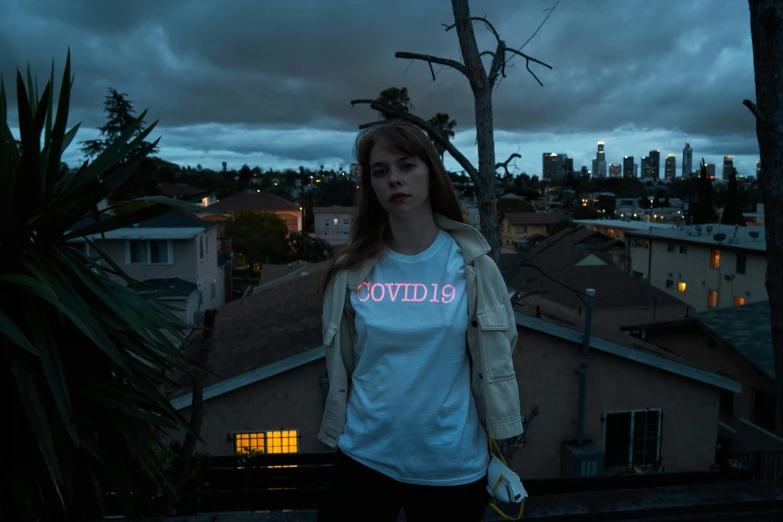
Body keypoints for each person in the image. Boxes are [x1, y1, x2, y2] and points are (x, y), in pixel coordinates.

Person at [316, 120, 522, 522]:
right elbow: (346, 362)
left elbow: (497, 356)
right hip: (363, 458)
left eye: (407, 165)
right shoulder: (349, 273)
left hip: (450, 466)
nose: (395, 179)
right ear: (371, 185)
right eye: (381, 171)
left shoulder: (474, 268)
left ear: (431, 173)